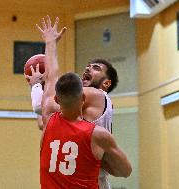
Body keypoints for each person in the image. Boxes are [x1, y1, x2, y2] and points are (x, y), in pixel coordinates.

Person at [26, 16, 123, 189]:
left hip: (91, 180)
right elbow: (44, 122)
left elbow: (43, 106)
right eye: (88, 65)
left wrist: (36, 86)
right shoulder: (85, 105)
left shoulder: (97, 95)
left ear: (106, 83)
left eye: (96, 68)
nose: (88, 68)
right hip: (76, 177)